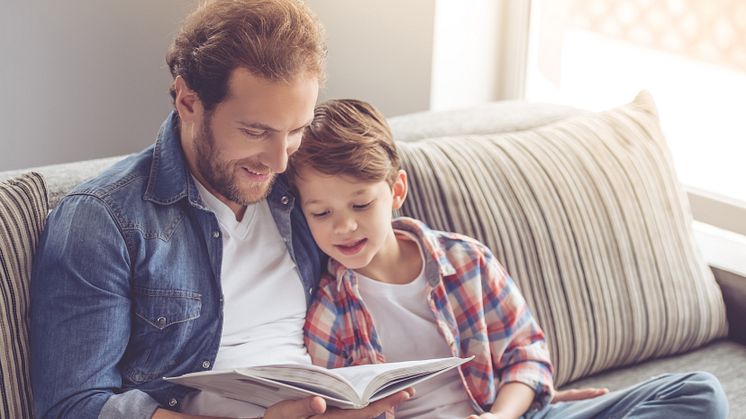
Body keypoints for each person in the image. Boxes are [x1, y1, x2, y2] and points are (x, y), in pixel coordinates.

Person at [29, 1, 413, 418]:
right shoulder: (102, 220)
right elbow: (74, 406)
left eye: (295, 132)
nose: (279, 161)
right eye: (255, 131)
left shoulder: (302, 189)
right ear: (188, 102)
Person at [287, 99, 730, 419]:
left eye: (361, 205)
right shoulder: (329, 312)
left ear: (396, 191)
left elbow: (527, 356)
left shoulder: (465, 262)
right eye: (322, 213)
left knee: (698, 392)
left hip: (511, 414)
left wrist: (502, 415)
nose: (343, 227)